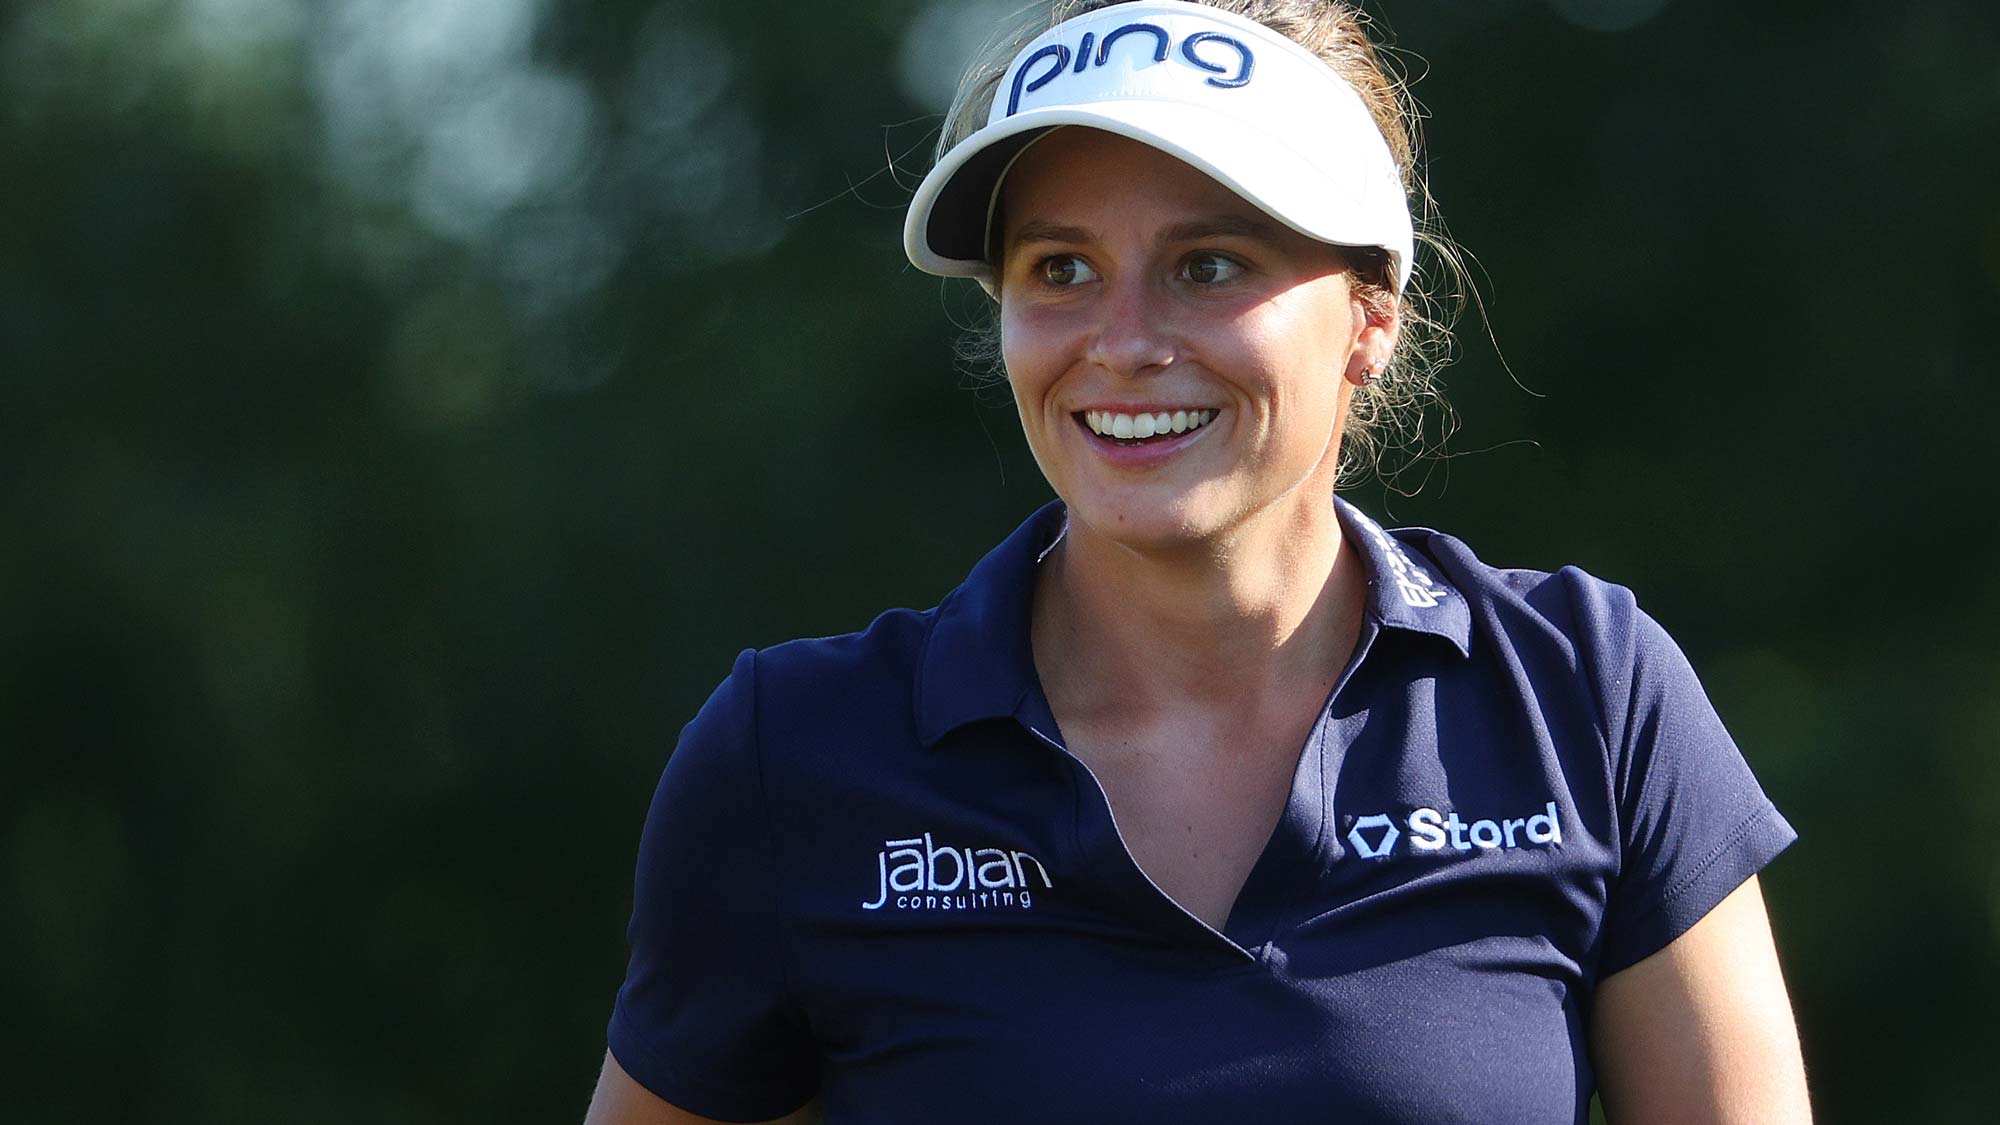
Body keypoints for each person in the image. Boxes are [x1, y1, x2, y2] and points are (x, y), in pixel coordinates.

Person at [583, 2, 1811, 1121]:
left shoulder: (1584, 696)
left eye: (1208, 265)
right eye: (1059, 270)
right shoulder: (795, 753)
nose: (1121, 345)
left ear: (1369, 319)